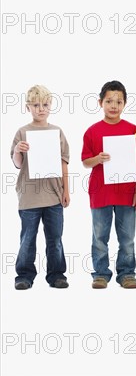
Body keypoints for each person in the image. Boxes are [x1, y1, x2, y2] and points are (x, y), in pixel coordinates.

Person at [82, 80, 136, 289]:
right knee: (100, 237)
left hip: (126, 192)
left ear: (125, 103)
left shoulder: (133, 130)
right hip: (100, 192)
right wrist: (98, 159)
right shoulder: (92, 131)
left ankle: (127, 273)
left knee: (127, 237)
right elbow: (85, 162)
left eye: (118, 101)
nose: (113, 105)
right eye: (109, 101)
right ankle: (100, 273)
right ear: (100, 102)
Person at [11, 85, 70, 290]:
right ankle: (24, 275)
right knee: (28, 238)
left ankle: (56, 274)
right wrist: (18, 150)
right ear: (28, 107)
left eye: (45, 104)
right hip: (29, 196)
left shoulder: (57, 132)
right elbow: (18, 163)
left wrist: (66, 190)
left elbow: (64, 162)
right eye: (36, 105)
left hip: (53, 195)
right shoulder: (23, 132)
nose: (41, 108)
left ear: (50, 105)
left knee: (55, 238)